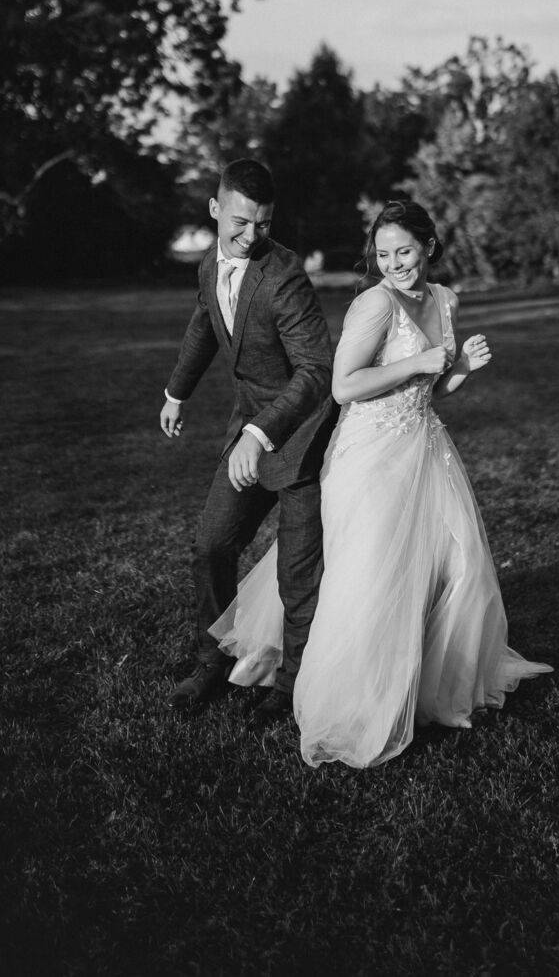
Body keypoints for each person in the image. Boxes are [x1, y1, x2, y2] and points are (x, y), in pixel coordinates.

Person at [209, 198, 552, 767]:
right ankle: (355, 701)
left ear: (429, 247)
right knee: (373, 574)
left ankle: (428, 687)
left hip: (425, 448)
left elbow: (432, 390)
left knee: (452, 566)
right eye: (385, 254)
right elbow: (344, 386)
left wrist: (461, 367)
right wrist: (418, 363)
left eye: (406, 252)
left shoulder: (445, 299)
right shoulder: (374, 303)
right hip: (368, 455)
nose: (395, 264)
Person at [160, 159, 337, 726]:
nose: (250, 236)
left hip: (303, 435)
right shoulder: (210, 265)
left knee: (298, 575)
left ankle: (290, 687)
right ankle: (211, 661)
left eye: (262, 224)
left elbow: (317, 370)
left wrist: (261, 434)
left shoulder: (284, 276)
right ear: (215, 209)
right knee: (211, 545)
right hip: (249, 429)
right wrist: (176, 392)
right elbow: (204, 324)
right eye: (240, 222)